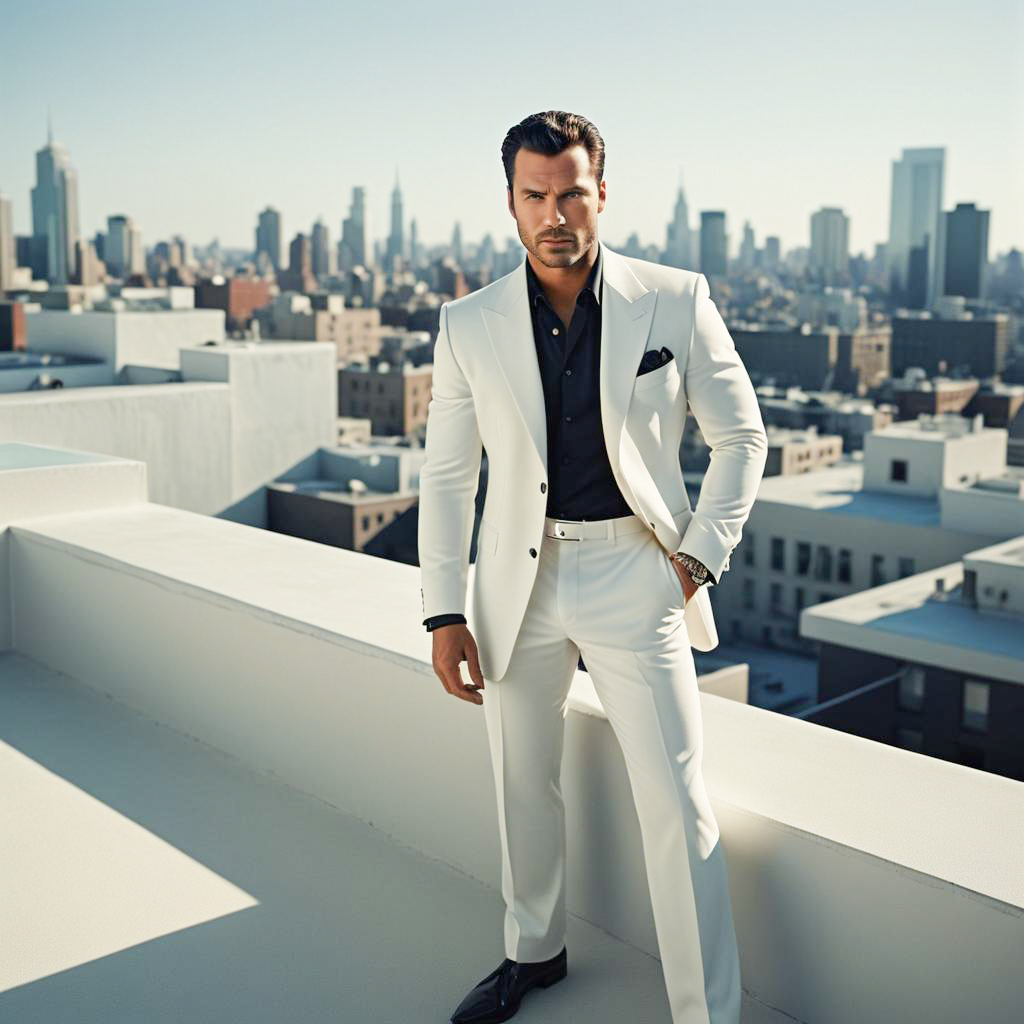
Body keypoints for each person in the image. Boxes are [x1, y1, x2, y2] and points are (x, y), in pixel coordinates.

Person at [418, 109, 767, 1024]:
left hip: (636, 576)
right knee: (520, 783)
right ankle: (534, 954)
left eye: (572, 190)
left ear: (601, 193)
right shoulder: (466, 323)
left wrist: (695, 563)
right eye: (535, 195)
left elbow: (742, 437)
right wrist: (442, 610)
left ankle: (707, 1014)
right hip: (513, 588)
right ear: (511, 204)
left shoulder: (675, 298)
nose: (555, 212)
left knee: (677, 809)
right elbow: (449, 478)